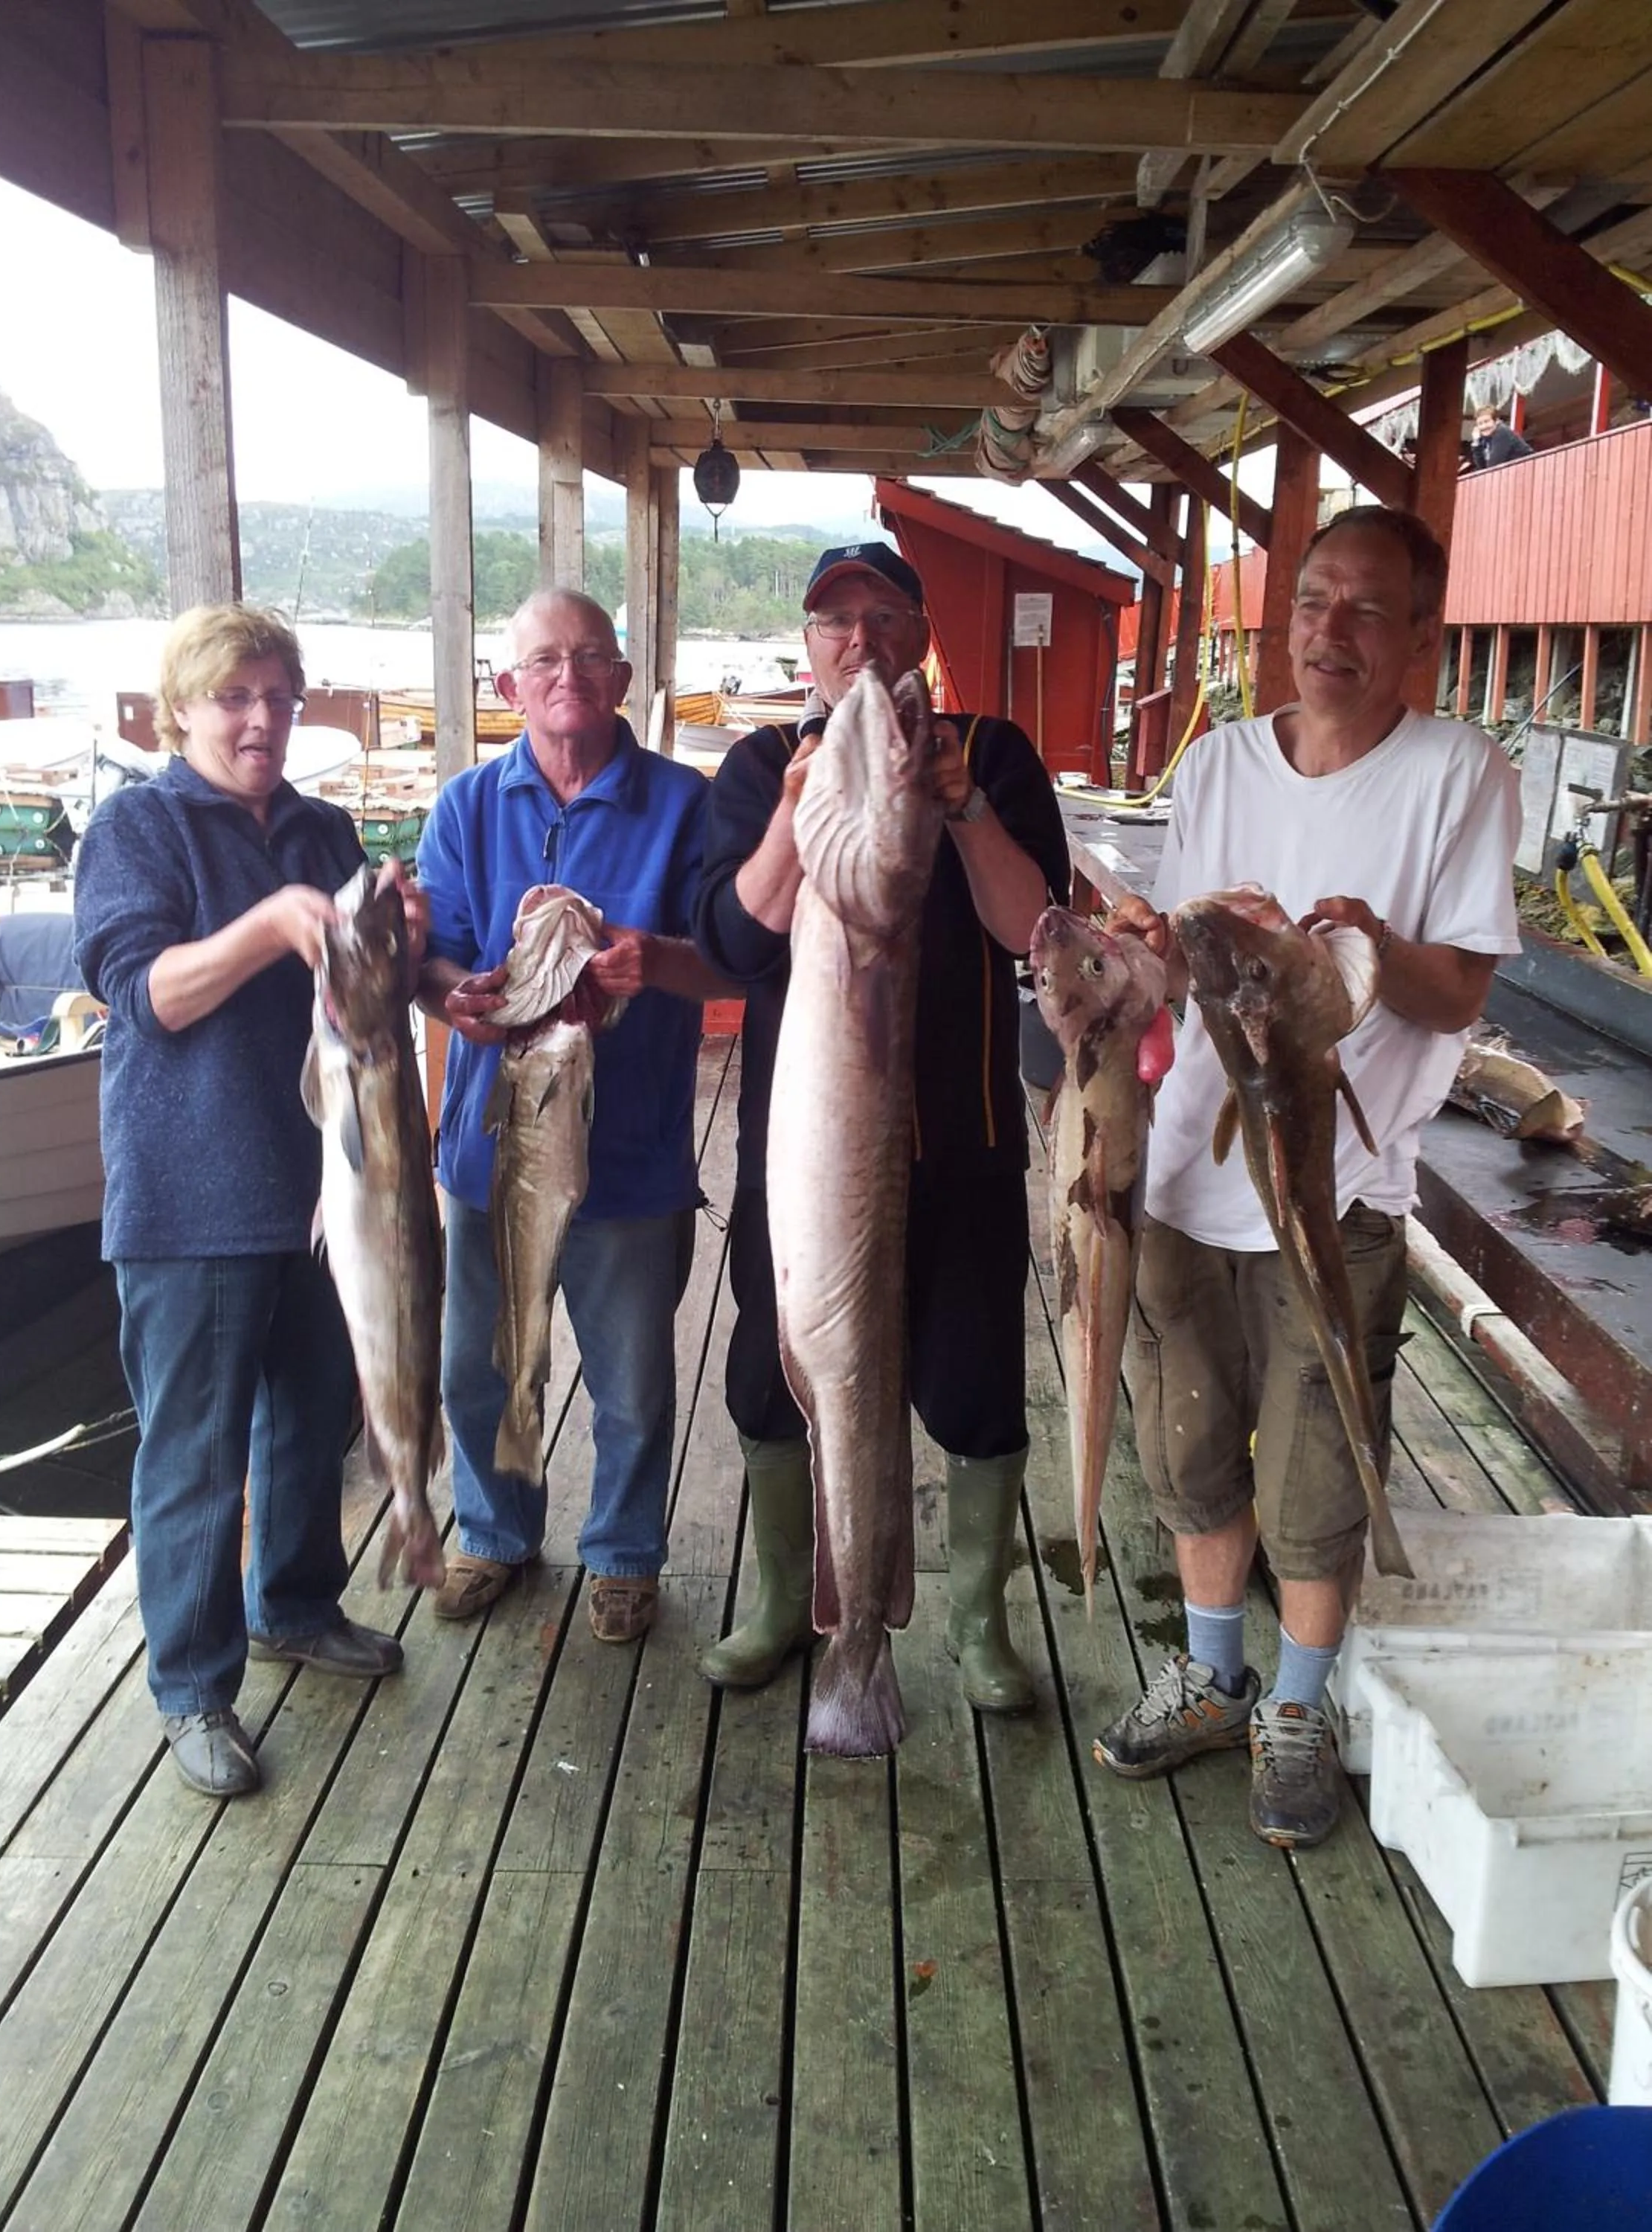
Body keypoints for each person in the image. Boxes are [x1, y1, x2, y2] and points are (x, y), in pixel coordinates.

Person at [1091, 506, 1522, 1849]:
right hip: (1185, 1164)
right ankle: (1214, 1676)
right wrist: (1125, 958)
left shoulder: (1463, 772)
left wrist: (1368, 952)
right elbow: (1176, 967)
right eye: (1313, 602)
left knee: (1322, 1459)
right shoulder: (1217, 763)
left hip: (1341, 1186)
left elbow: (1453, 997)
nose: (1331, 631)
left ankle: (1296, 1702)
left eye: (1368, 609)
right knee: (1189, 1435)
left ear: (1421, 635)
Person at [693, 542, 1070, 1712]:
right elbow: (731, 942)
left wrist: (958, 810)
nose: (857, 638)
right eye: (832, 621)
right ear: (808, 648)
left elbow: (1034, 934)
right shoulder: (760, 764)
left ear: (919, 634)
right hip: (805, 1154)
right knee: (773, 1367)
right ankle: (784, 1604)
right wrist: (797, 813)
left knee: (974, 1382)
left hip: (964, 1141)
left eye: (882, 615)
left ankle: (976, 1622)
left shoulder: (994, 753)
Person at [74, 605, 413, 1800]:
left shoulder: (322, 828)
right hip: (189, 1200)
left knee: (308, 1420)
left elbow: (363, 982)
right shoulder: (135, 827)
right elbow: (147, 993)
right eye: (235, 699)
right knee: (196, 1456)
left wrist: (399, 936)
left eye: (280, 695)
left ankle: (298, 1606)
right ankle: (193, 1686)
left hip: (326, 1192)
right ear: (183, 711)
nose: (263, 718)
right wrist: (272, 927)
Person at [415, 589, 724, 1644]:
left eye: (591, 657)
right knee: (482, 1358)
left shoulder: (687, 803)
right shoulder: (463, 805)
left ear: (622, 681)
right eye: (542, 661)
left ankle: (624, 1552)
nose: (567, 677)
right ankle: (495, 1530)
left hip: (632, 1150)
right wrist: (458, 991)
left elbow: (724, 954)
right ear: (507, 688)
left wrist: (651, 962)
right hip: (490, 1145)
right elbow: (439, 956)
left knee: (632, 1375)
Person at [1465, 405, 1532, 469]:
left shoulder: (1502, 432)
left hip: (1529, 468)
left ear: (1496, 421)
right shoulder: (1485, 439)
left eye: (1487, 422)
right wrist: (1476, 442)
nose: (1484, 426)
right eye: (1480, 424)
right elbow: (1482, 468)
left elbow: (1493, 466)